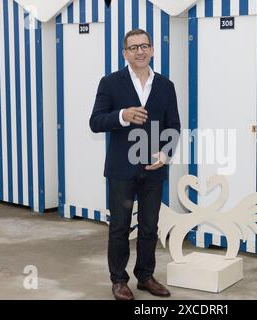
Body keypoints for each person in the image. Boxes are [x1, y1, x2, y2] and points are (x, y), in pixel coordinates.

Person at [89, 29, 181, 300]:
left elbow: (174, 126)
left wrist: (165, 153)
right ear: (125, 53)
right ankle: (119, 280)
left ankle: (146, 276)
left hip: (154, 168)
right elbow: (95, 122)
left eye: (144, 46)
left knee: (150, 227)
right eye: (133, 47)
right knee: (119, 226)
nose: (140, 51)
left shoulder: (166, 85)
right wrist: (122, 115)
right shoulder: (110, 82)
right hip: (121, 169)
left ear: (152, 50)